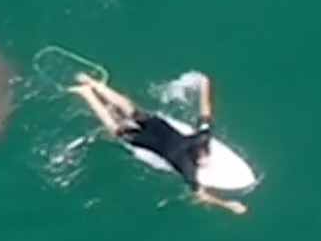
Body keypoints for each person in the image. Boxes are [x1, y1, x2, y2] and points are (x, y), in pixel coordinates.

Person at [67, 72, 248, 215]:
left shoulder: (200, 138)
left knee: (130, 109)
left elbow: (205, 111)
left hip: (157, 126)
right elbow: (201, 196)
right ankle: (87, 94)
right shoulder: (187, 168)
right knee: (115, 128)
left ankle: (92, 83)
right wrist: (227, 205)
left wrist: (204, 85)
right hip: (146, 142)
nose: (208, 161)